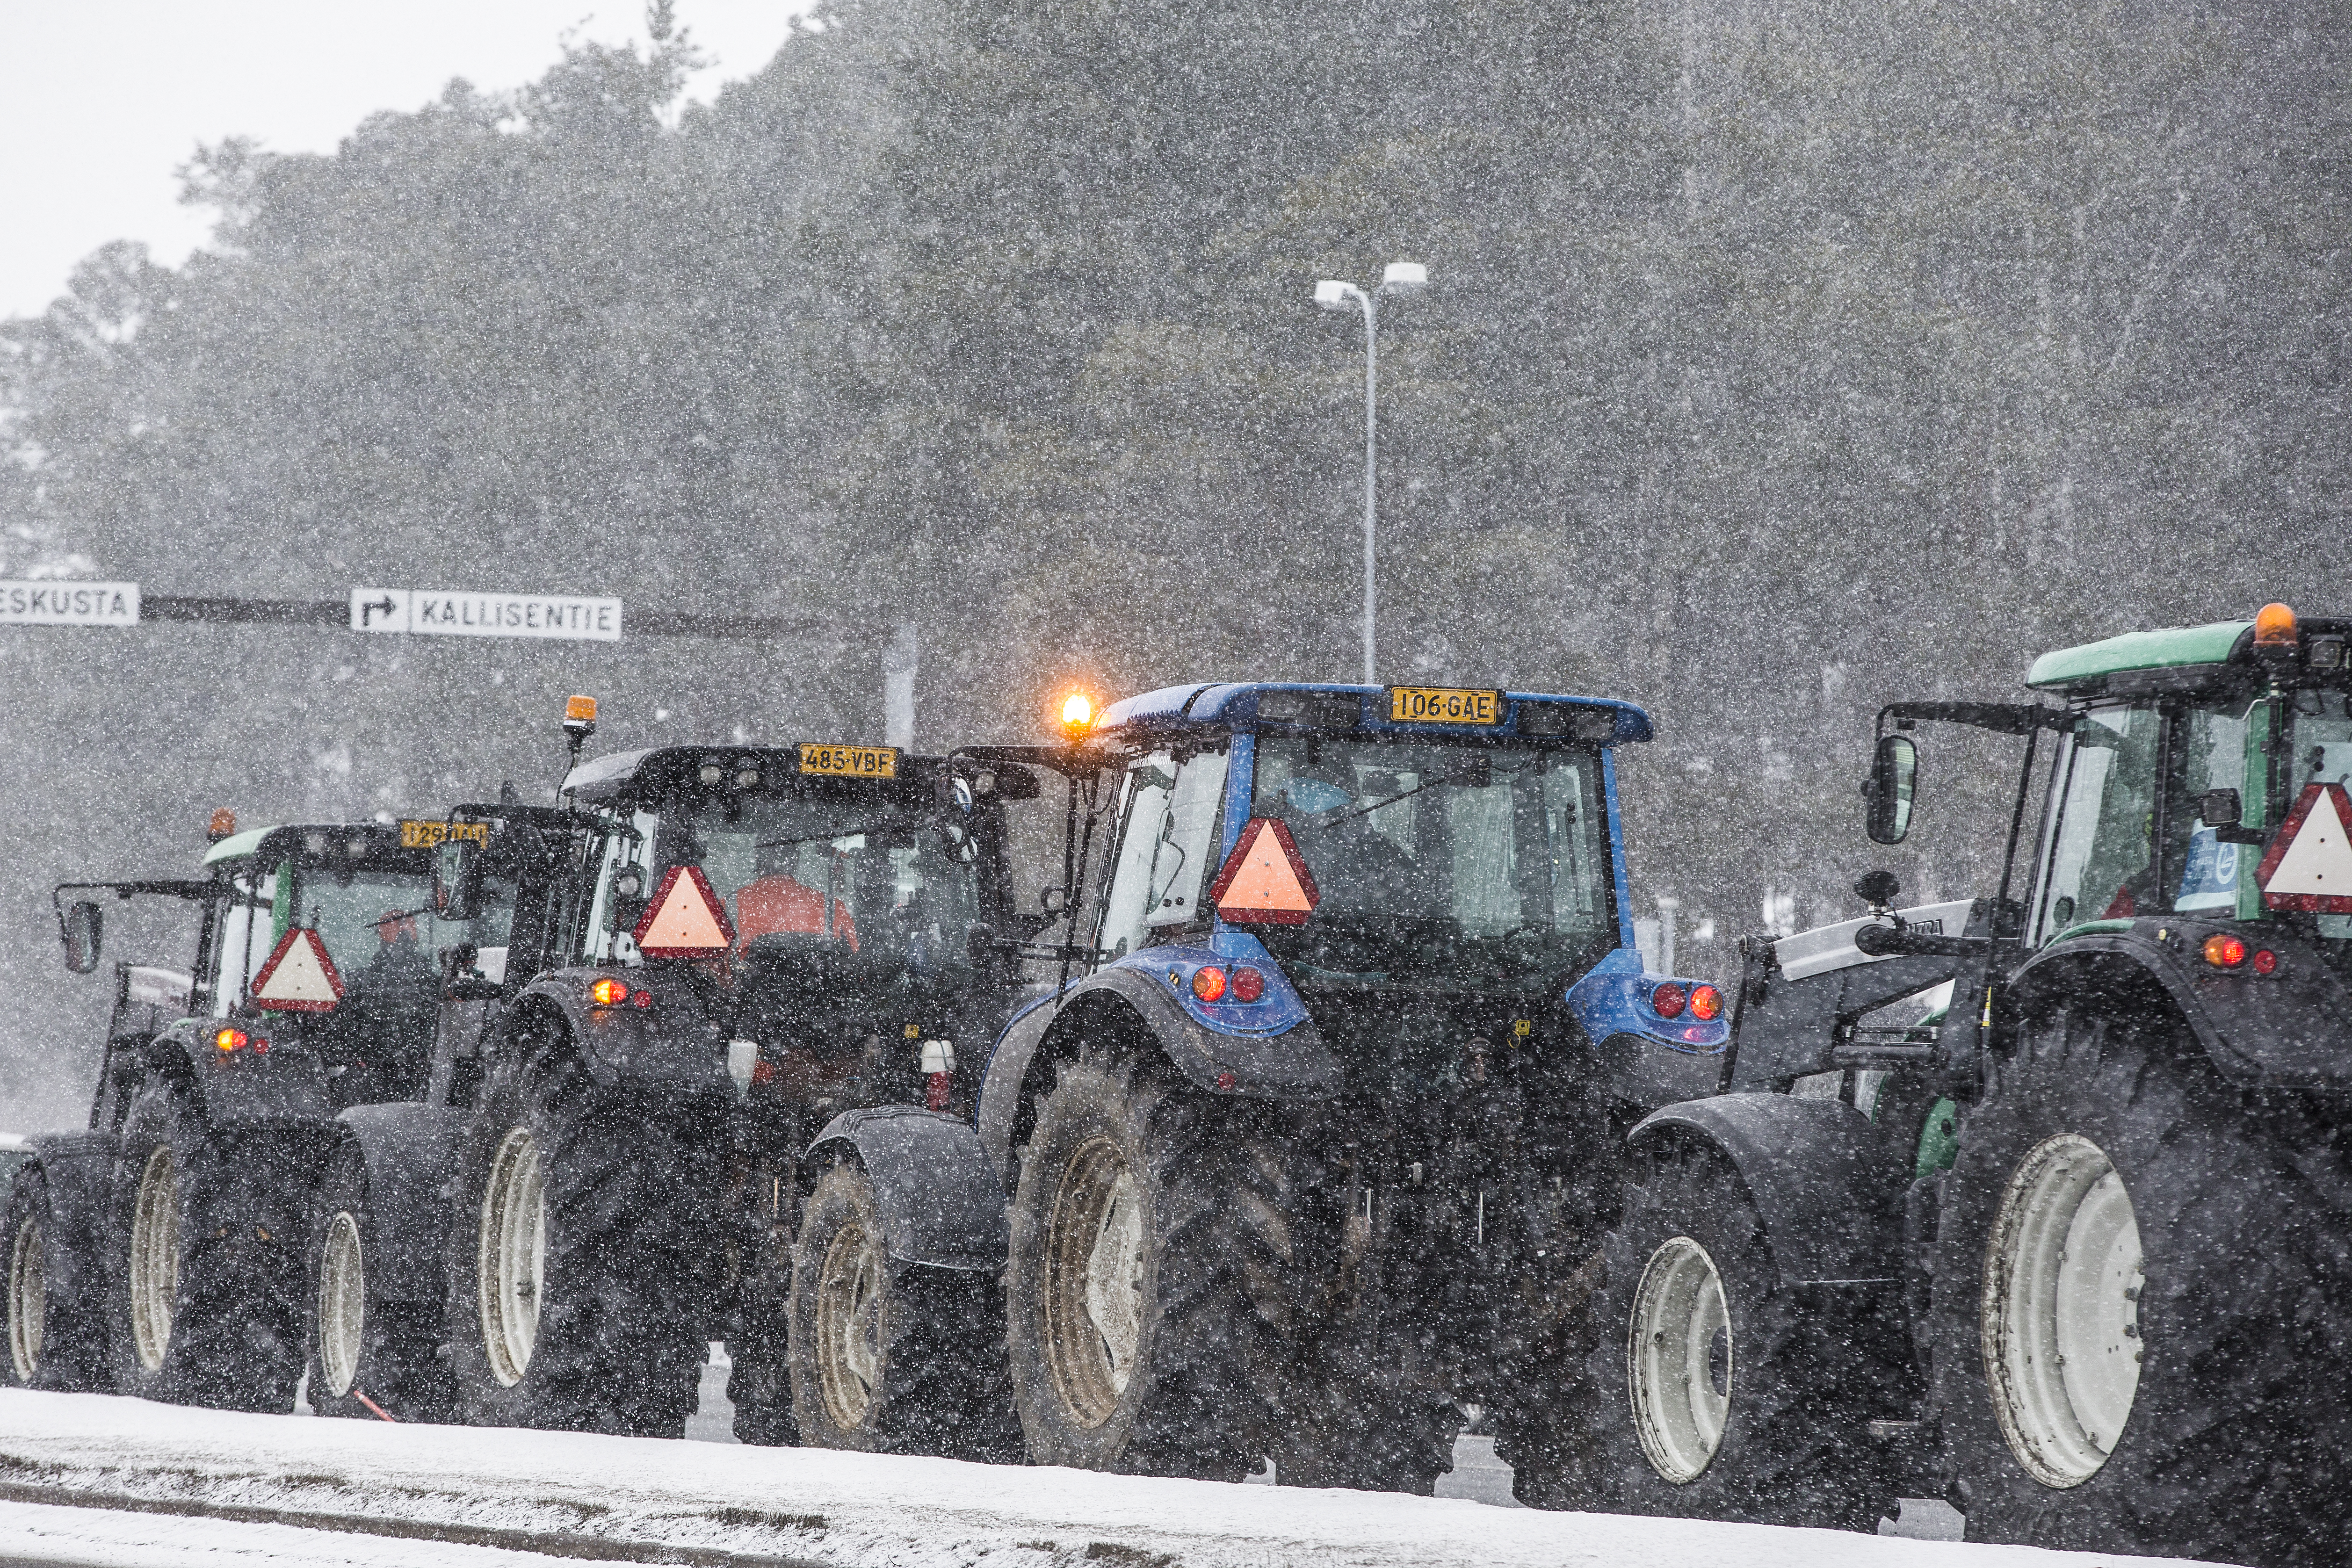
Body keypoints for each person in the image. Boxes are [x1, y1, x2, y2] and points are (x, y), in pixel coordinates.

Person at [733, 842, 858, 953]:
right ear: (795, 860)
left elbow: (722, 957)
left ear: (757, 858)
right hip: (818, 971)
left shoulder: (731, 904)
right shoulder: (832, 906)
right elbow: (855, 955)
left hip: (751, 972)